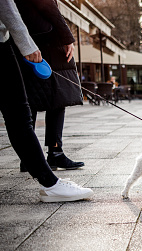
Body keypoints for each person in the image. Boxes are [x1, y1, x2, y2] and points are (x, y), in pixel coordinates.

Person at [0, 0, 93, 202]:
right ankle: (51, 174)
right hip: (35, 40)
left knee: (22, 108)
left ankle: (40, 165)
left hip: (17, 39)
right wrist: (29, 43)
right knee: (22, 111)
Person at [15, 0, 84, 171]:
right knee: (57, 99)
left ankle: (29, 157)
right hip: (47, 44)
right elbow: (49, 7)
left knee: (30, 100)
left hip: (23, 41)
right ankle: (55, 153)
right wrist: (67, 37)